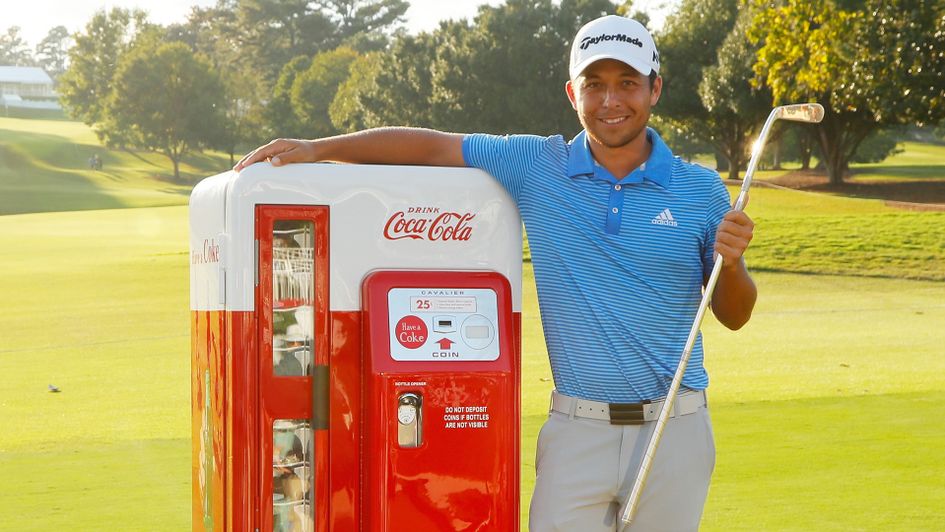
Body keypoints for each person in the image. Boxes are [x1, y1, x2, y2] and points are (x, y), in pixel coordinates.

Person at [235, 14, 757, 532]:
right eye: (594, 85)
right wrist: (319, 150)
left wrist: (731, 264)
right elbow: (432, 147)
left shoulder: (701, 190)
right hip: (579, 429)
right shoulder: (537, 165)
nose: (610, 101)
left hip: (675, 428)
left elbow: (734, 314)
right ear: (572, 93)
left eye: (627, 84)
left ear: (654, 89)